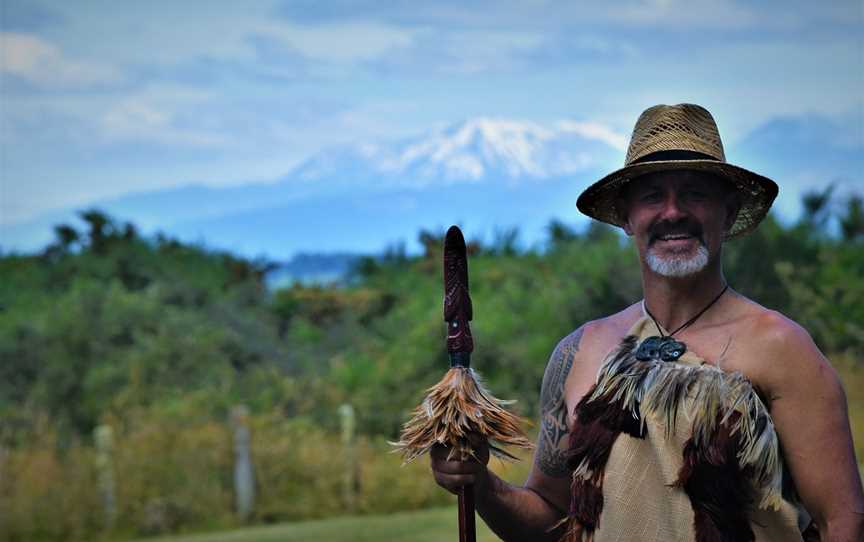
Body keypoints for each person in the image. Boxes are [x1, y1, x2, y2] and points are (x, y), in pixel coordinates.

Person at [430, 104, 864, 541]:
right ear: (625, 216)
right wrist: (480, 484)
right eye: (653, 196)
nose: (673, 212)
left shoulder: (781, 347)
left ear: (728, 212)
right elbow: (552, 524)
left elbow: (841, 522)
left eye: (695, 193)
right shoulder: (582, 352)